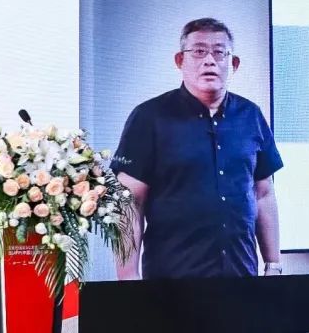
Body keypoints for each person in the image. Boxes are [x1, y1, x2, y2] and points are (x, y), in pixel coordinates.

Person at [112, 17, 284, 280]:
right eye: (199, 51)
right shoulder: (149, 117)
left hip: (241, 278)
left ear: (234, 64)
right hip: (171, 281)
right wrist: (127, 277)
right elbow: (129, 202)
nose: (210, 61)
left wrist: (273, 265)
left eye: (219, 52)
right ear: (180, 61)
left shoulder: (251, 116)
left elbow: (263, 194)